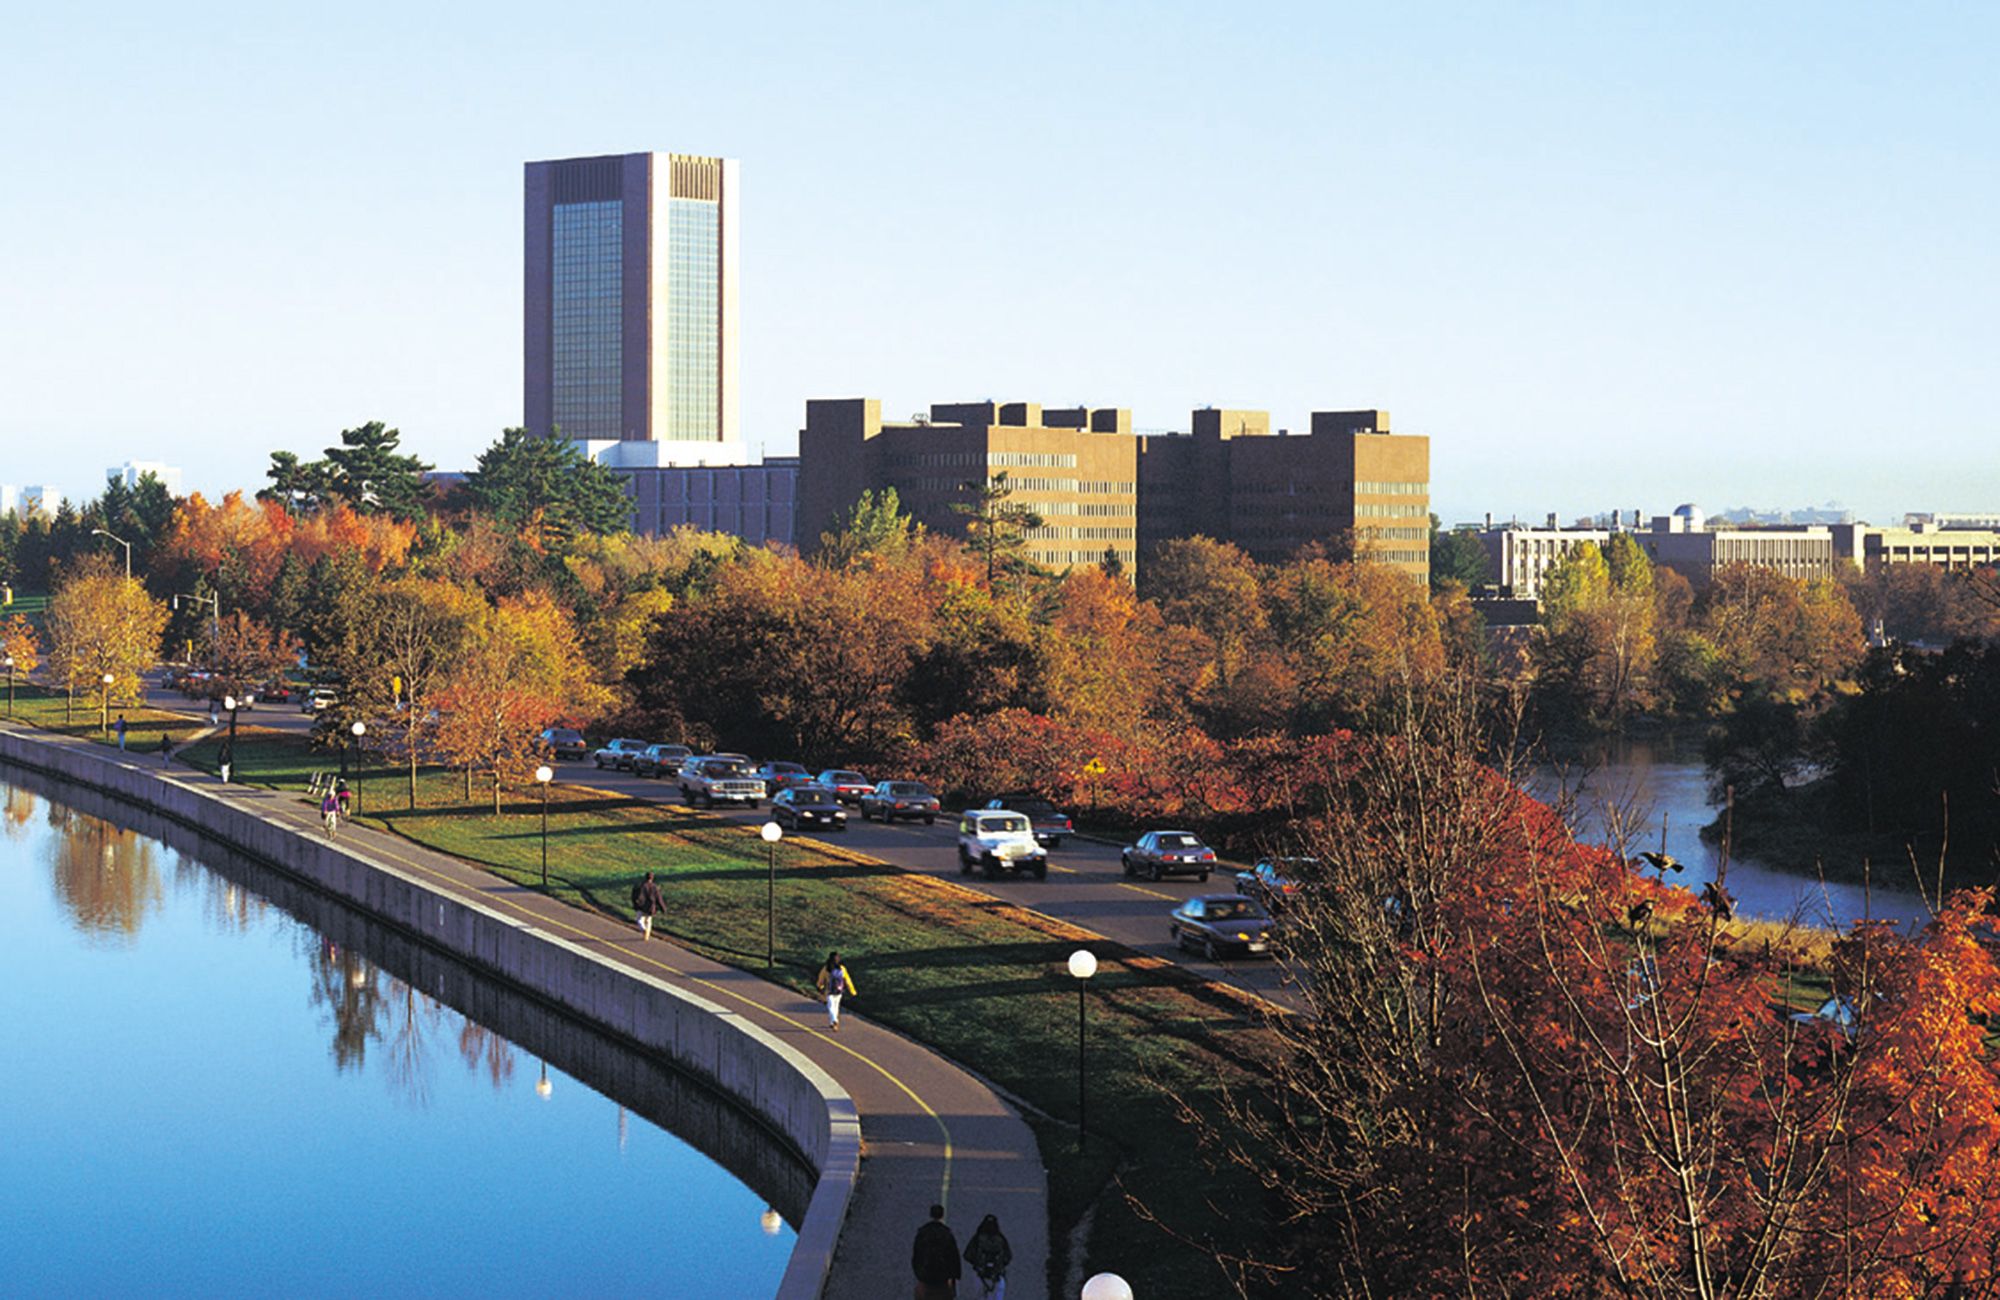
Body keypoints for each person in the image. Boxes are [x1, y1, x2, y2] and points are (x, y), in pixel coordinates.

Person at [911, 1203, 961, 1300]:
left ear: (930, 1215)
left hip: (925, 1277)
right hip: (942, 1279)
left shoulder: (922, 1233)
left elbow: (916, 1255)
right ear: (942, 1215)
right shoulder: (946, 1234)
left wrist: (919, 1273)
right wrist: (955, 1276)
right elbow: (953, 1256)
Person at [962, 1214, 1012, 1300]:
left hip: (980, 1274)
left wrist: (976, 1263)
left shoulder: (977, 1238)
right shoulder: (1001, 1239)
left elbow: (967, 1255)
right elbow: (1008, 1257)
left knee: (980, 1296)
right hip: (997, 1274)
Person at [816, 950, 857, 1031]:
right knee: (836, 1006)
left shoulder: (826, 969)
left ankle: (834, 1020)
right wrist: (852, 991)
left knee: (830, 1007)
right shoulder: (842, 969)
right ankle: (834, 1022)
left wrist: (820, 986)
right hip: (839, 990)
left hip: (829, 991)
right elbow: (848, 980)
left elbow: (821, 980)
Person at [631, 871, 666, 941]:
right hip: (651, 907)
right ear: (652, 878)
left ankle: (644, 930)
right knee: (648, 921)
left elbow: (634, 895)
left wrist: (635, 904)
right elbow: (659, 898)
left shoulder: (640, 886)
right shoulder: (654, 887)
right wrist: (663, 908)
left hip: (642, 906)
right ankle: (648, 933)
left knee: (640, 920)